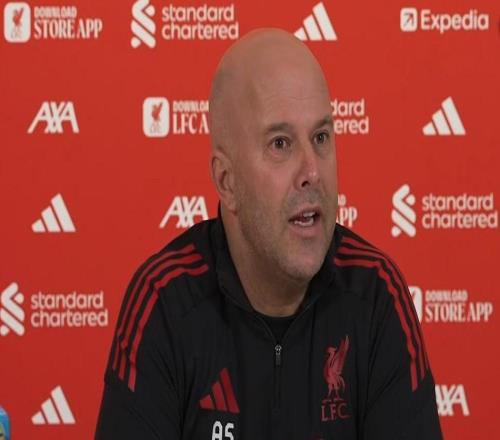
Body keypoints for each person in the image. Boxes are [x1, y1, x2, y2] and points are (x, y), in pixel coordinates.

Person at [95, 28, 442, 439]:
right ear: (226, 182)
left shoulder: (376, 295)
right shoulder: (165, 302)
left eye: (321, 137)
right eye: (280, 144)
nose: (312, 172)